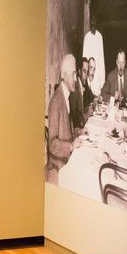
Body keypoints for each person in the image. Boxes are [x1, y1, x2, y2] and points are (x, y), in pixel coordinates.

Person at [46, 54, 77, 185]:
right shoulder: (55, 102)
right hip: (58, 167)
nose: (76, 79)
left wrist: (81, 132)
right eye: (73, 74)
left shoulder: (67, 97)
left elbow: (67, 132)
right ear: (64, 76)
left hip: (67, 160)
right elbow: (52, 144)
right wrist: (70, 146)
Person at [83, 16, 105, 97]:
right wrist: (86, 73)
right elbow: (84, 58)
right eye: (91, 23)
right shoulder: (87, 37)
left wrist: (102, 78)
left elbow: (101, 59)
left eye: (94, 23)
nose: (93, 25)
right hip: (89, 71)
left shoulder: (100, 37)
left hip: (97, 71)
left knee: (97, 94)